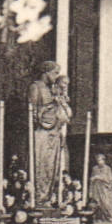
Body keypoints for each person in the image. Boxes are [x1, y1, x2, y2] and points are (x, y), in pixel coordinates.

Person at [29, 61, 72, 205]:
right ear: (45, 72)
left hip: (54, 133)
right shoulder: (36, 87)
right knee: (42, 165)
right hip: (41, 133)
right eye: (55, 73)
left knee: (52, 167)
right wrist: (45, 111)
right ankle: (39, 198)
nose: (56, 76)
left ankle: (48, 198)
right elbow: (33, 113)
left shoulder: (52, 89)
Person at [87, 153, 112, 223]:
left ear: (103, 160)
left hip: (105, 190)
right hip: (96, 189)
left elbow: (110, 180)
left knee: (106, 204)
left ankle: (109, 218)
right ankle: (98, 219)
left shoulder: (107, 169)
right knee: (97, 204)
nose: (99, 162)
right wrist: (90, 191)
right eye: (97, 160)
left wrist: (100, 177)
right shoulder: (95, 169)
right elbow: (91, 180)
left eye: (100, 160)